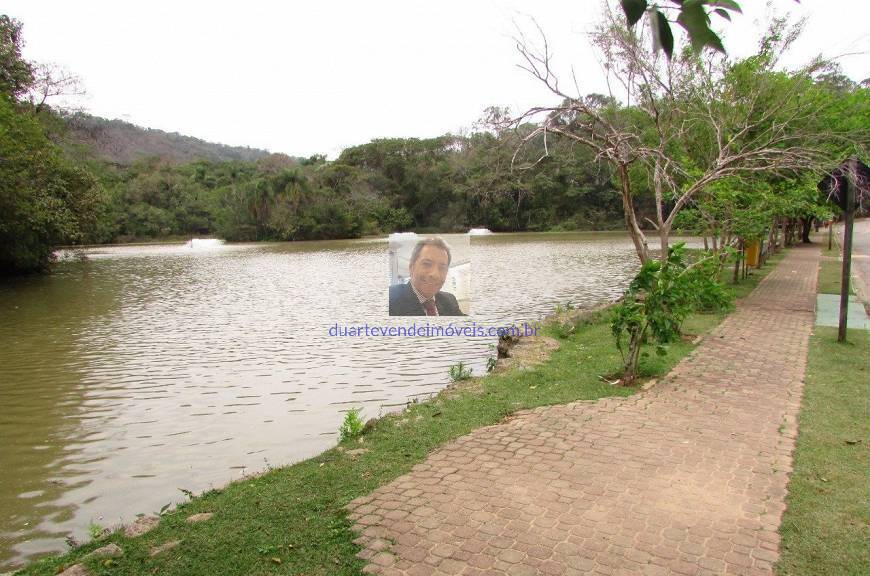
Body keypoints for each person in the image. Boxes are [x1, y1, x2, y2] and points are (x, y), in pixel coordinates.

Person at [389, 237, 465, 316]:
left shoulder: (449, 300)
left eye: (442, 268)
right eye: (427, 264)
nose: (435, 274)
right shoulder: (390, 298)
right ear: (411, 267)